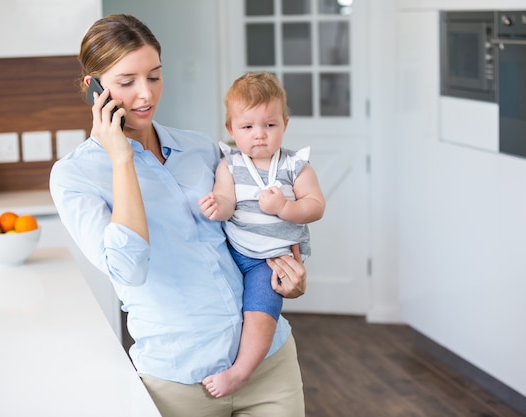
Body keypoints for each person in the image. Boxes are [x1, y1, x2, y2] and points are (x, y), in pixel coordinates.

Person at [49, 14, 307, 417]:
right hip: (180, 382)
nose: (145, 95)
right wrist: (121, 161)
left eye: (154, 76)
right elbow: (128, 269)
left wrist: (286, 278)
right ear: (93, 88)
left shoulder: (201, 148)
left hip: (267, 363)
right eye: (126, 81)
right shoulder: (75, 176)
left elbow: (255, 227)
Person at [198, 72, 325, 398]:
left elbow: (315, 206)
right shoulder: (229, 164)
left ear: (284, 123)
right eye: (247, 127)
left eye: (269, 125)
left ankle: (241, 373)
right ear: (230, 130)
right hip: (232, 249)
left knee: (260, 310)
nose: (259, 135)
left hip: (269, 261)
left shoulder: (295, 165)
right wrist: (218, 205)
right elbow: (227, 200)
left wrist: (284, 207)